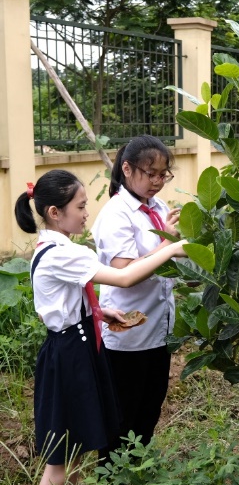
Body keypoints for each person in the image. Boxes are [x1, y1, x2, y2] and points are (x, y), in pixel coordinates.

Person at [14, 170, 187, 485]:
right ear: (54, 213)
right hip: (70, 358)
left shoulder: (56, 246)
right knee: (61, 462)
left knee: (74, 454)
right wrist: (171, 247)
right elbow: (124, 277)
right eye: (80, 206)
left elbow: (56, 305)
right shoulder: (63, 253)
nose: (86, 213)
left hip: (74, 349)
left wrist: (97, 312)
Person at [91, 134, 181, 456]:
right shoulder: (116, 214)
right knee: (122, 417)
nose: (158, 181)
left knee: (149, 410)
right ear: (127, 169)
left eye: (163, 174)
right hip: (127, 337)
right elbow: (124, 272)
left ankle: (136, 482)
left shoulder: (157, 207)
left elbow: (169, 260)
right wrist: (167, 246)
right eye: (151, 173)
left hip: (159, 330)